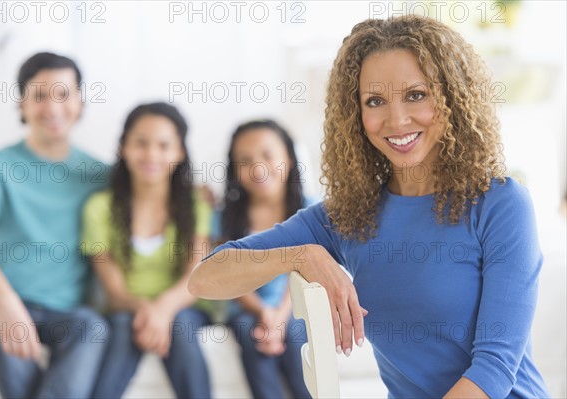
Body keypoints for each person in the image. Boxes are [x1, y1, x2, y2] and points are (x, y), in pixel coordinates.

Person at [189, 16, 551, 399]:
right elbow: (205, 278)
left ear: (451, 97)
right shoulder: (349, 215)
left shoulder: (500, 204)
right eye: (375, 101)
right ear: (356, 117)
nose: (396, 120)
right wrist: (301, 255)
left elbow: (495, 368)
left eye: (416, 94)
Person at [0, 52, 109, 398]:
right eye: (40, 96)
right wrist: (5, 303)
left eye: (63, 94)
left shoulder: (102, 177)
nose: (53, 107)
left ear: (80, 101)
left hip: (65, 314)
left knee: (92, 326)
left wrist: (194, 193)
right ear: (22, 104)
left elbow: (155, 197)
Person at [82, 102, 213, 398]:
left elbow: (197, 278)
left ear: (179, 153)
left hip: (185, 307)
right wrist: (147, 311)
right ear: (123, 148)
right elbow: (114, 292)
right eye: (140, 143)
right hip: (126, 310)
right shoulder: (99, 208)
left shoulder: (196, 204)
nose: (152, 154)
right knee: (122, 325)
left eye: (164, 145)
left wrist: (164, 308)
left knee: (179, 324)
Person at [215, 119, 311, 399]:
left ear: (289, 159)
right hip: (249, 310)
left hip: (296, 306)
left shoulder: (312, 210)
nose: (257, 168)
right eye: (244, 161)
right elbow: (227, 278)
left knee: (295, 330)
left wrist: (279, 316)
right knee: (250, 331)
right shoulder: (224, 218)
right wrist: (263, 314)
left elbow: (309, 271)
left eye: (268, 155)